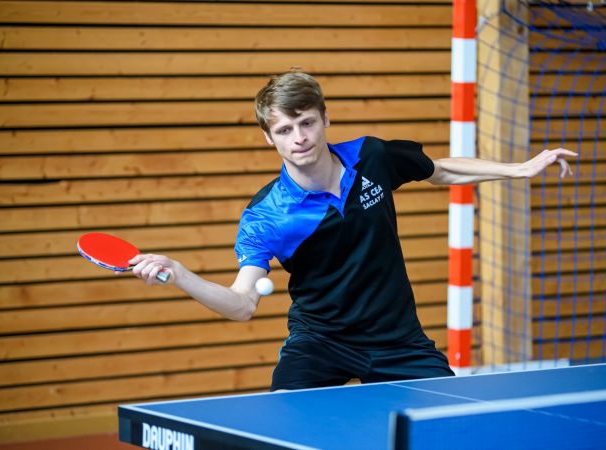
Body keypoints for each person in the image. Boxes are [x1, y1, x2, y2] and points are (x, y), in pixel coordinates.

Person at [129, 70, 576, 391]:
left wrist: (519, 169)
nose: (299, 137)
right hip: (321, 342)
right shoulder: (267, 216)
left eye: (306, 122)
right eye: (284, 129)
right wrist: (180, 273)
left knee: (452, 427)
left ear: (325, 118)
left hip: (398, 340)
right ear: (269, 137)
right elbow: (243, 304)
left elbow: (439, 170)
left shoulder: (371, 158)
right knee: (278, 431)